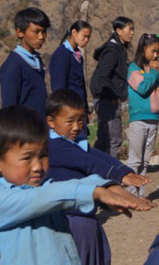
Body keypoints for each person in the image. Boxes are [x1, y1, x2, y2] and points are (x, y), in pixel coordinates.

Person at [0, 106, 152, 265]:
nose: (38, 167)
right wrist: (96, 192)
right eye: (27, 158)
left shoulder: (43, 186)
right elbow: (49, 195)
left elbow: (71, 184)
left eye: (43, 156)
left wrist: (108, 186)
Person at [44, 90, 151, 265]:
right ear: (51, 122)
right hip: (70, 221)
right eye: (69, 121)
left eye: (80, 120)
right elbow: (89, 162)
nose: (77, 127)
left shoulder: (75, 143)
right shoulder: (53, 147)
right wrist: (120, 176)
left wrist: (124, 171)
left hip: (87, 218)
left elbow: (100, 157)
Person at [91, 17, 135, 158]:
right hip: (107, 100)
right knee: (113, 139)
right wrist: (113, 95)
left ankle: (97, 170)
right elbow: (103, 76)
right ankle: (110, 173)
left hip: (107, 98)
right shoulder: (112, 51)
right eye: (130, 29)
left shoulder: (118, 49)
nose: (132, 33)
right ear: (119, 31)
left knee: (104, 138)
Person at [126, 34, 159, 196]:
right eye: (152, 51)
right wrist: (154, 72)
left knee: (145, 160)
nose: (155, 55)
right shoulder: (134, 68)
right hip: (138, 119)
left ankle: (140, 194)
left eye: (158, 52)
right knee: (135, 159)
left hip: (153, 119)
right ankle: (130, 193)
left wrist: (156, 72)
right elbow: (143, 88)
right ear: (143, 49)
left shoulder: (156, 69)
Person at [0, 7, 51, 117]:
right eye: (36, 32)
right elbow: (9, 109)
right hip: (25, 130)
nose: (41, 37)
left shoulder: (36, 60)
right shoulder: (13, 65)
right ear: (20, 32)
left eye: (44, 31)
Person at [48, 20, 92, 101]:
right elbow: (59, 86)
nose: (86, 40)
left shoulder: (77, 55)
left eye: (88, 37)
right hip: (69, 106)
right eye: (84, 36)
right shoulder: (62, 54)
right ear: (74, 32)